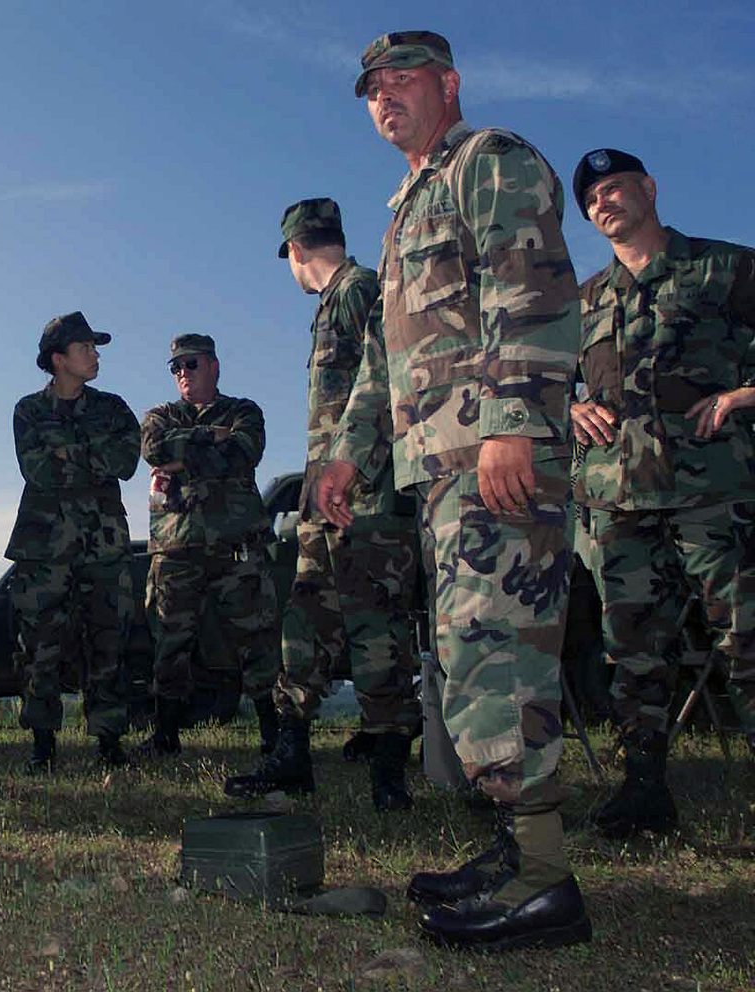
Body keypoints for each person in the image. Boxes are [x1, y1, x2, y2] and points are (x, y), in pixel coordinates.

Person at [319, 32, 587, 950]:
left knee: (501, 665)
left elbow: (534, 287)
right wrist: (349, 453)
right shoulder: (405, 211)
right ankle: (520, 855)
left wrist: (513, 420)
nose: (384, 97)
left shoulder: (490, 162)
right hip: (440, 471)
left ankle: (544, 881)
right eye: (371, 89)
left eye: (401, 79)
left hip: (493, 460)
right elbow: (386, 357)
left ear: (448, 83)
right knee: (474, 663)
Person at [567, 148, 755, 838]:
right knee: (633, 650)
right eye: (592, 200)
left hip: (714, 490)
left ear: (648, 189)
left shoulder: (725, 267)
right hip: (620, 500)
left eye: (615, 188)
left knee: (746, 637)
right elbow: (545, 381)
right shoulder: (587, 301)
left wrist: (744, 394)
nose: (604, 204)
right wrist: (570, 409)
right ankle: (643, 791)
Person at [226, 199, 423, 811]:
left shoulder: (363, 290)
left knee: (376, 627)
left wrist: (356, 476)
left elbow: (394, 382)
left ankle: (389, 770)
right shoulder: (335, 302)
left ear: (294, 250)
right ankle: (292, 755)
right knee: (306, 621)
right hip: (326, 501)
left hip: (368, 497)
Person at [5, 312, 140, 771]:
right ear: (58, 358)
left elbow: (126, 460)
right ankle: (42, 745)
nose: (96, 354)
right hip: (44, 549)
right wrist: (90, 458)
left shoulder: (114, 408)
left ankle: (109, 742)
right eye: (86, 348)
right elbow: (36, 469)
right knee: (39, 647)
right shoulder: (29, 410)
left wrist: (68, 456)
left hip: (103, 544)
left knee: (108, 642)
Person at [140, 334, 278, 756]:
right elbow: (153, 450)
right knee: (170, 641)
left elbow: (242, 453)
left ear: (214, 365)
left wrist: (186, 453)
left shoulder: (243, 411)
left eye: (191, 364)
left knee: (256, 639)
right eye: (176, 367)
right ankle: (165, 735)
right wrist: (209, 438)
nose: (183, 372)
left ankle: (275, 733)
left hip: (235, 545)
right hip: (176, 548)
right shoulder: (162, 414)